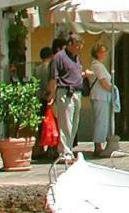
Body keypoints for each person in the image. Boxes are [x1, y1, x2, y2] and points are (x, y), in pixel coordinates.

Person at [45, 33, 94, 162]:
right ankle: (64, 152)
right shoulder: (59, 58)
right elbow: (53, 79)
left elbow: (75, 74)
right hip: (65, 92)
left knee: (74, 124)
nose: (80, 49)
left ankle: (69, 150)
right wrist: (51, 94)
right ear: (70, 44)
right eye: (78, 46)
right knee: (66, 123)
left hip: (76, 93)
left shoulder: (77, 58)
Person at [89, 43, 117, 157]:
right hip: (99, 96)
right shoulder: (97, 66)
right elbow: (103, 82)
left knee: (103, 121)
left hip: (103, 96)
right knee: (100, 121)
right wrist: (113, 89)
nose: (105, 53)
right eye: (103, 51)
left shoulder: (100, 65)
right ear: (97, 53)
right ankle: (98, 146)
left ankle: (100, 144)